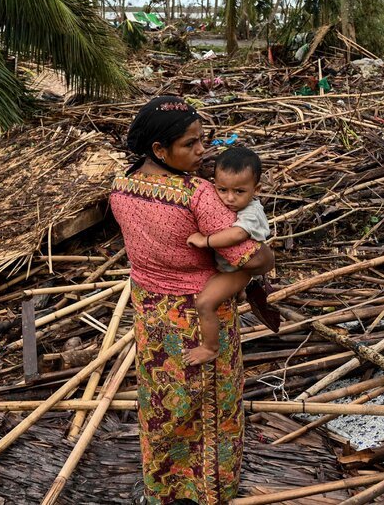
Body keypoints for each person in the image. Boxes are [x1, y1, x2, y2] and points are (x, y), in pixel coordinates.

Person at [109, 96, 275, 505]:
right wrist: (268, 255)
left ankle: (163, 485)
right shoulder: (198, 194)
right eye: (191, 144)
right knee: (211, 403)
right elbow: (250, 258)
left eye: (203, 140)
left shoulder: (121, 187)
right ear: (160, 151)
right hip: (200, 313)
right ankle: (209, 491)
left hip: (149, 311)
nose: (203, 151)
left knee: (162, 400)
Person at [184, 147, 271, 366]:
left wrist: (206, 241)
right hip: (229, 268)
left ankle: (210, 348)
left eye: (239, 192)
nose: (229, 198)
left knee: (204, 303)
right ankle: (239, 293)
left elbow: (238, 234)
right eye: (222, 190)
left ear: (256, 189)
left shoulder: (251, 213)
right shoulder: (223, 200)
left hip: (239, 270)